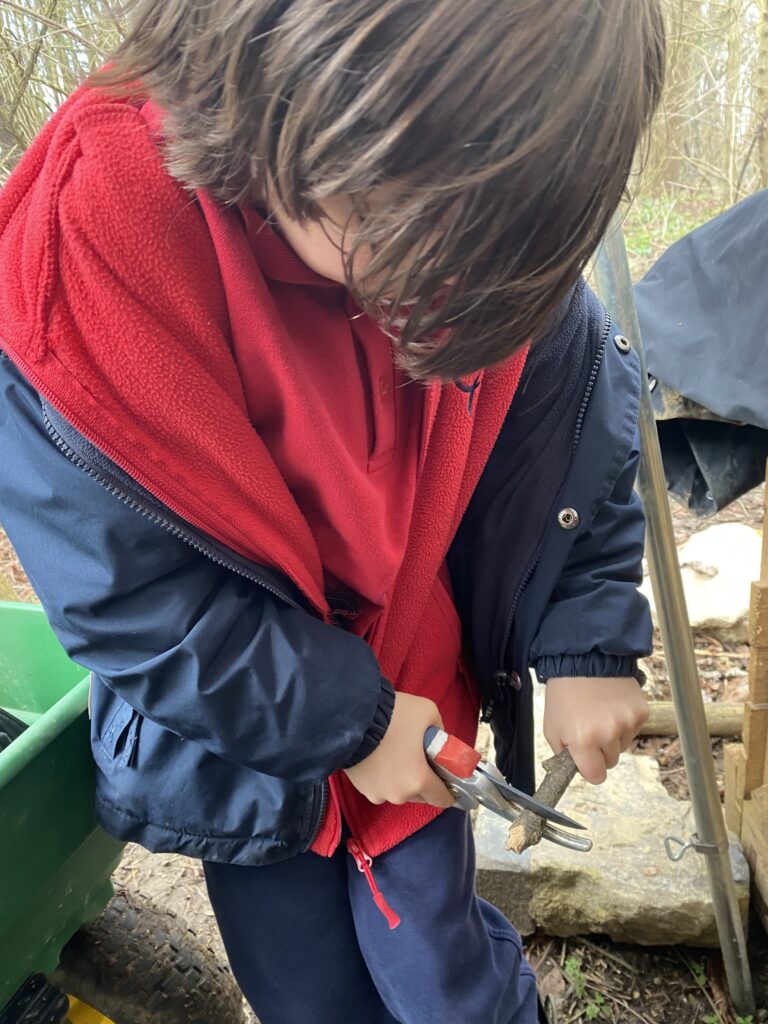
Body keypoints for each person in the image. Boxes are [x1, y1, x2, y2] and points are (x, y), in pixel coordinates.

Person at [0, 2, 665, 1021]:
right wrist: (345, 724)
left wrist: (587, 639)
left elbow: (570, 436)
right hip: (246, 754)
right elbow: (130, 596)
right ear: (278, 57)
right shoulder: (91, 242)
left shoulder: (487, 248)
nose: (439, 294)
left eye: (484, 269)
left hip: (419, 705)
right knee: (306, 988)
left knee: (453, 977)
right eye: (399, 229)